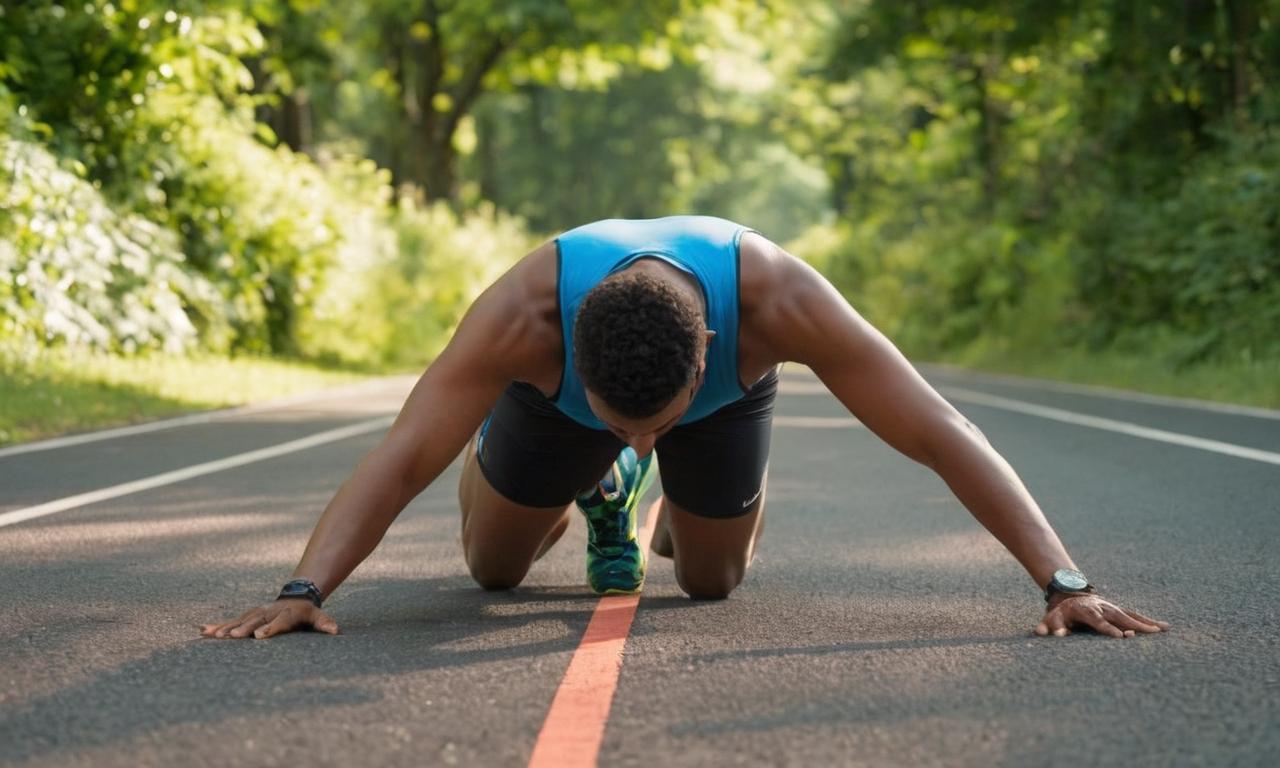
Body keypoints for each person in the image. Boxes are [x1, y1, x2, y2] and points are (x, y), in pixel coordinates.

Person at [200, 215, 1169, 641]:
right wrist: (302, 585)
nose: (638, 442)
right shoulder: (520, 320)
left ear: (707, 348)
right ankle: (568, 489)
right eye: (627, 436)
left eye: (647, 435)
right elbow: (406, 450)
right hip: (549, 409)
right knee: (491, 572)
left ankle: (675, 485)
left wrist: (1063, 579)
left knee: (711, 583)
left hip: (722, 404)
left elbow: (937, 429)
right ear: (572, 343)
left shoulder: (780, 300)